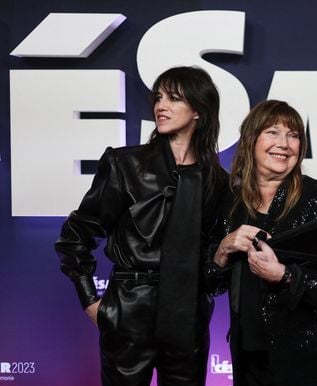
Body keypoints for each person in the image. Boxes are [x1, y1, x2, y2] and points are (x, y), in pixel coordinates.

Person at [55, 66, 228, 386]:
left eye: (174, 98)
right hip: (130, 309)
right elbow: (76, 235)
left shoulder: (217, 181)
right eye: (159, 97)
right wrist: (92, 302)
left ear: (198, 111)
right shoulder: (124, 164)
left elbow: (215, 257)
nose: (161, 105)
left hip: (188, 316)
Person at [206, 100, 317, 386]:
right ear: (251, 140)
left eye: (294, 135)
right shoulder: (230, 204)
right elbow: (212, 285)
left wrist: (286, 276)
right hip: (249, 359)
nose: (284, 144)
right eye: (273, 132)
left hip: (309, 362)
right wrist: (223, 249)